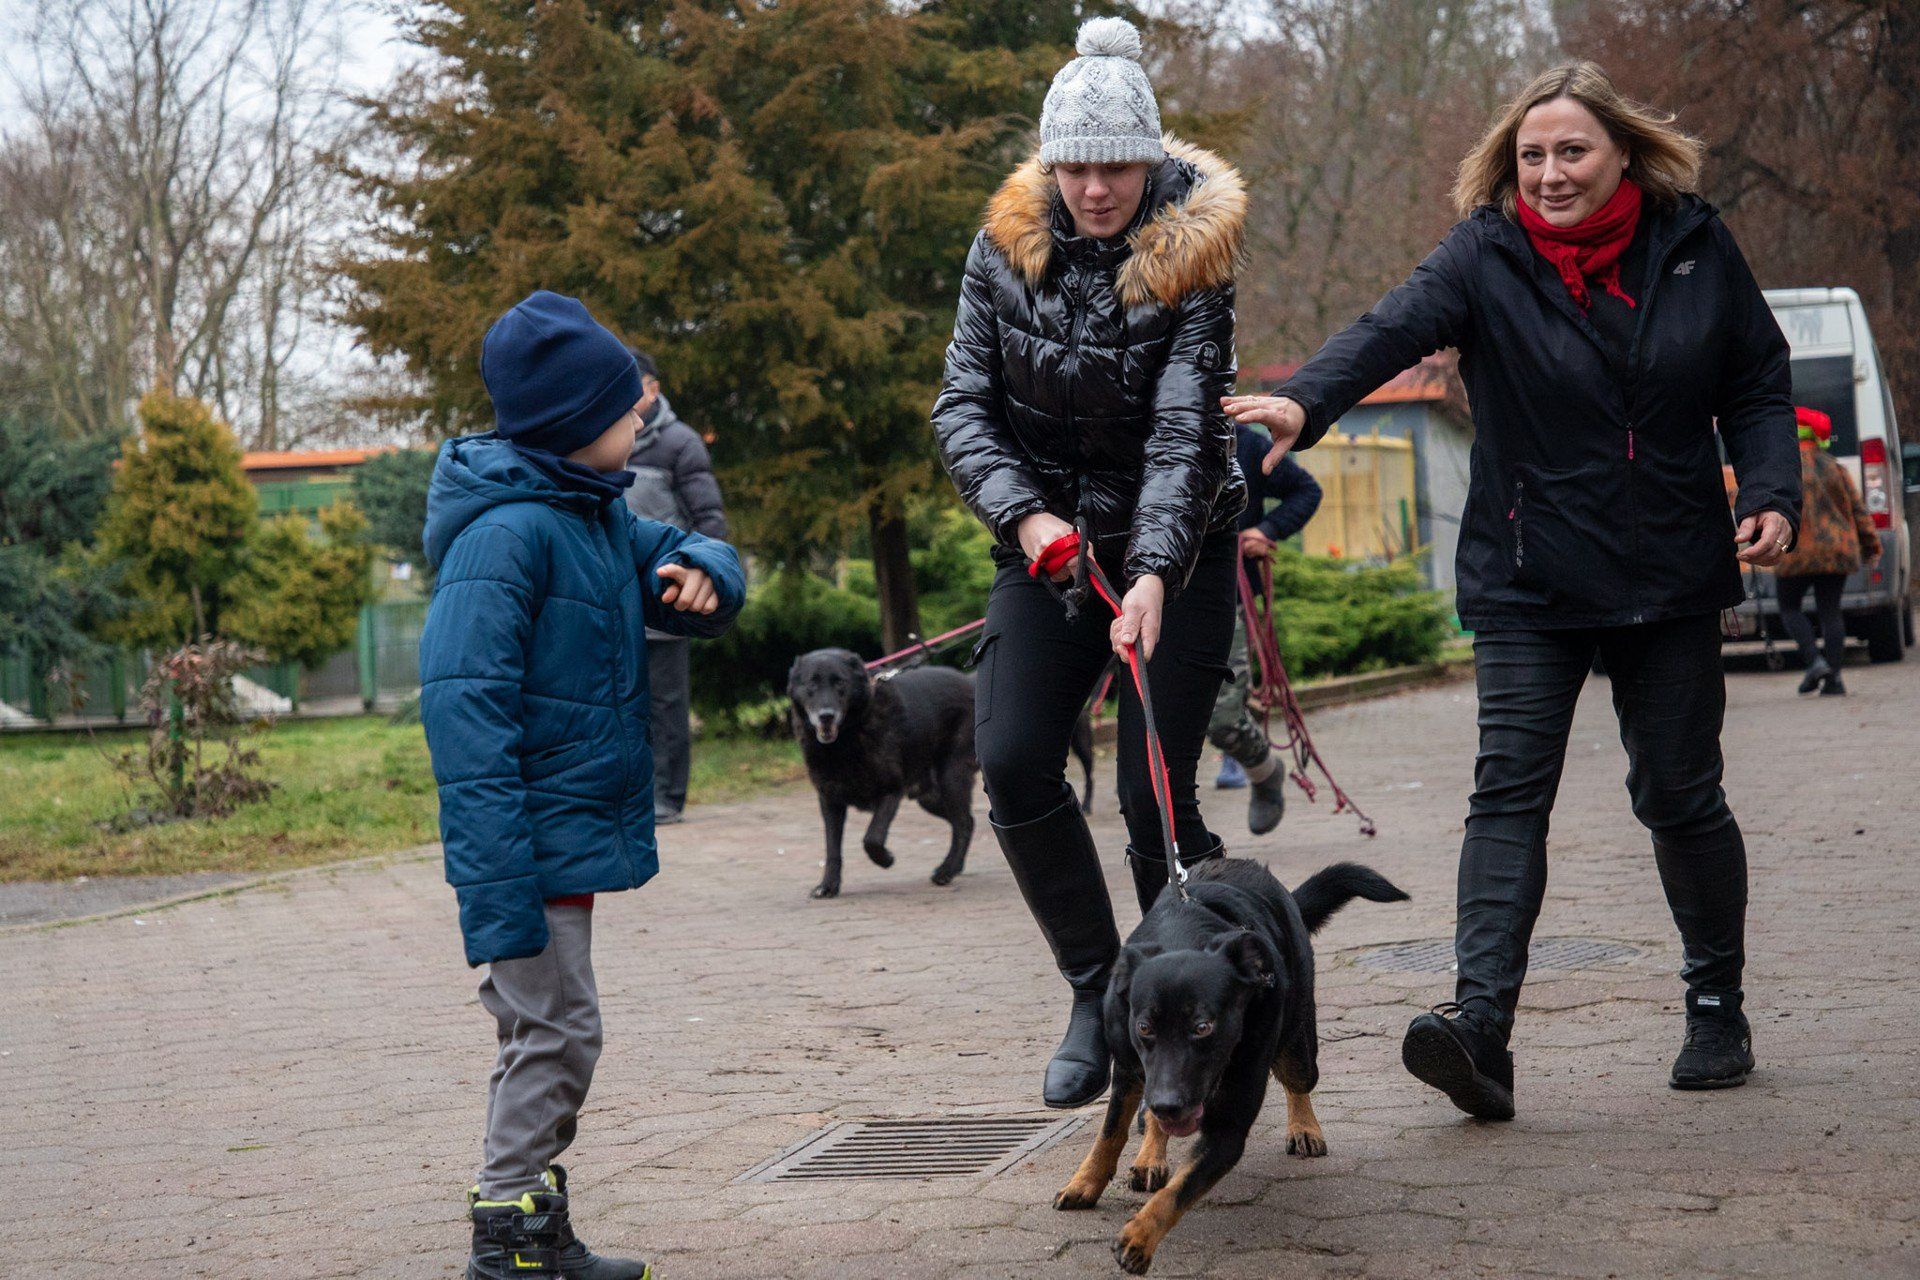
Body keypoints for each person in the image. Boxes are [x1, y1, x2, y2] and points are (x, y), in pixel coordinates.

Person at [1225, 62, 1800, 1116]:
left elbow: (1758, 376)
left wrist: (1770, 485)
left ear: (1623, 152)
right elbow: (1390, 325)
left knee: (1678, 791)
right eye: (1531, 156)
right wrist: (1307, 400)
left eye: (1571, 151)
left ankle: (1716, 1000)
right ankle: (1478, 1028)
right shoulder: (1485, 253)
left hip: (1669, 574)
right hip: (1529, 573)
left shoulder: (1695, 246)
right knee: (1506, 793)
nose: (1549, 174)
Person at [931, 16, 1248, 1110]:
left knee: (1150, 799)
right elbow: (961, 408)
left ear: (1152, 158)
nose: (1094, 188)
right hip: (1048, 550)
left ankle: (1208, 1000)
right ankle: (1094, 985)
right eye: (1073, 165)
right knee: (1015, 758)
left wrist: (1154, 569)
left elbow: (1181, 434)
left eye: (1114, 165)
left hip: (1185, 551)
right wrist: (1027, 521)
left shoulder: (1194, 259)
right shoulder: (999, 250)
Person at [419, 291, 746, 1279]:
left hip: (563, 839)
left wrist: (704, 571)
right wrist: (497, 883)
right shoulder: (505, 539)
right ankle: (504, 1236)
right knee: (552, 1032)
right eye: (622, 403)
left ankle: (534, 1220)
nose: (643, 412)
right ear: (571, 424)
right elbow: (463, 722)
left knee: (561, 1029)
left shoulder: (595, 516)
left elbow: (700, 556)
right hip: (521, 851)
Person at [623, 349, 731, 824]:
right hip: (615, 600)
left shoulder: (681, 444)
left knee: (667, 705)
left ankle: (668, 798)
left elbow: (708, 520)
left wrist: (699, 572)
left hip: (665, 595)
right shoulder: (602, 443)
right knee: (625, 704)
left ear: (653, 388)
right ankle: (631, 796)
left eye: (634, 386)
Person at [1207, 430, 1322, 833]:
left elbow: (1307, 491)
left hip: (1226, 596)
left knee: (1222, 718)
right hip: (1145, 595)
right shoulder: (1139, 431)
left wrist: (1267, 530)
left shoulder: (1247, 445)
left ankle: (1263, 770)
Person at [1773, 406, 1880, 696]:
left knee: (1789, 607)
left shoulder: (1785, 468)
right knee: (1830, 612)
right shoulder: (1836, 467)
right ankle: (1834, 679)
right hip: (1836, 551)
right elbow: (1859, 512)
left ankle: (1814, 660)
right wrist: (1872, 547)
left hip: (1797, 553)